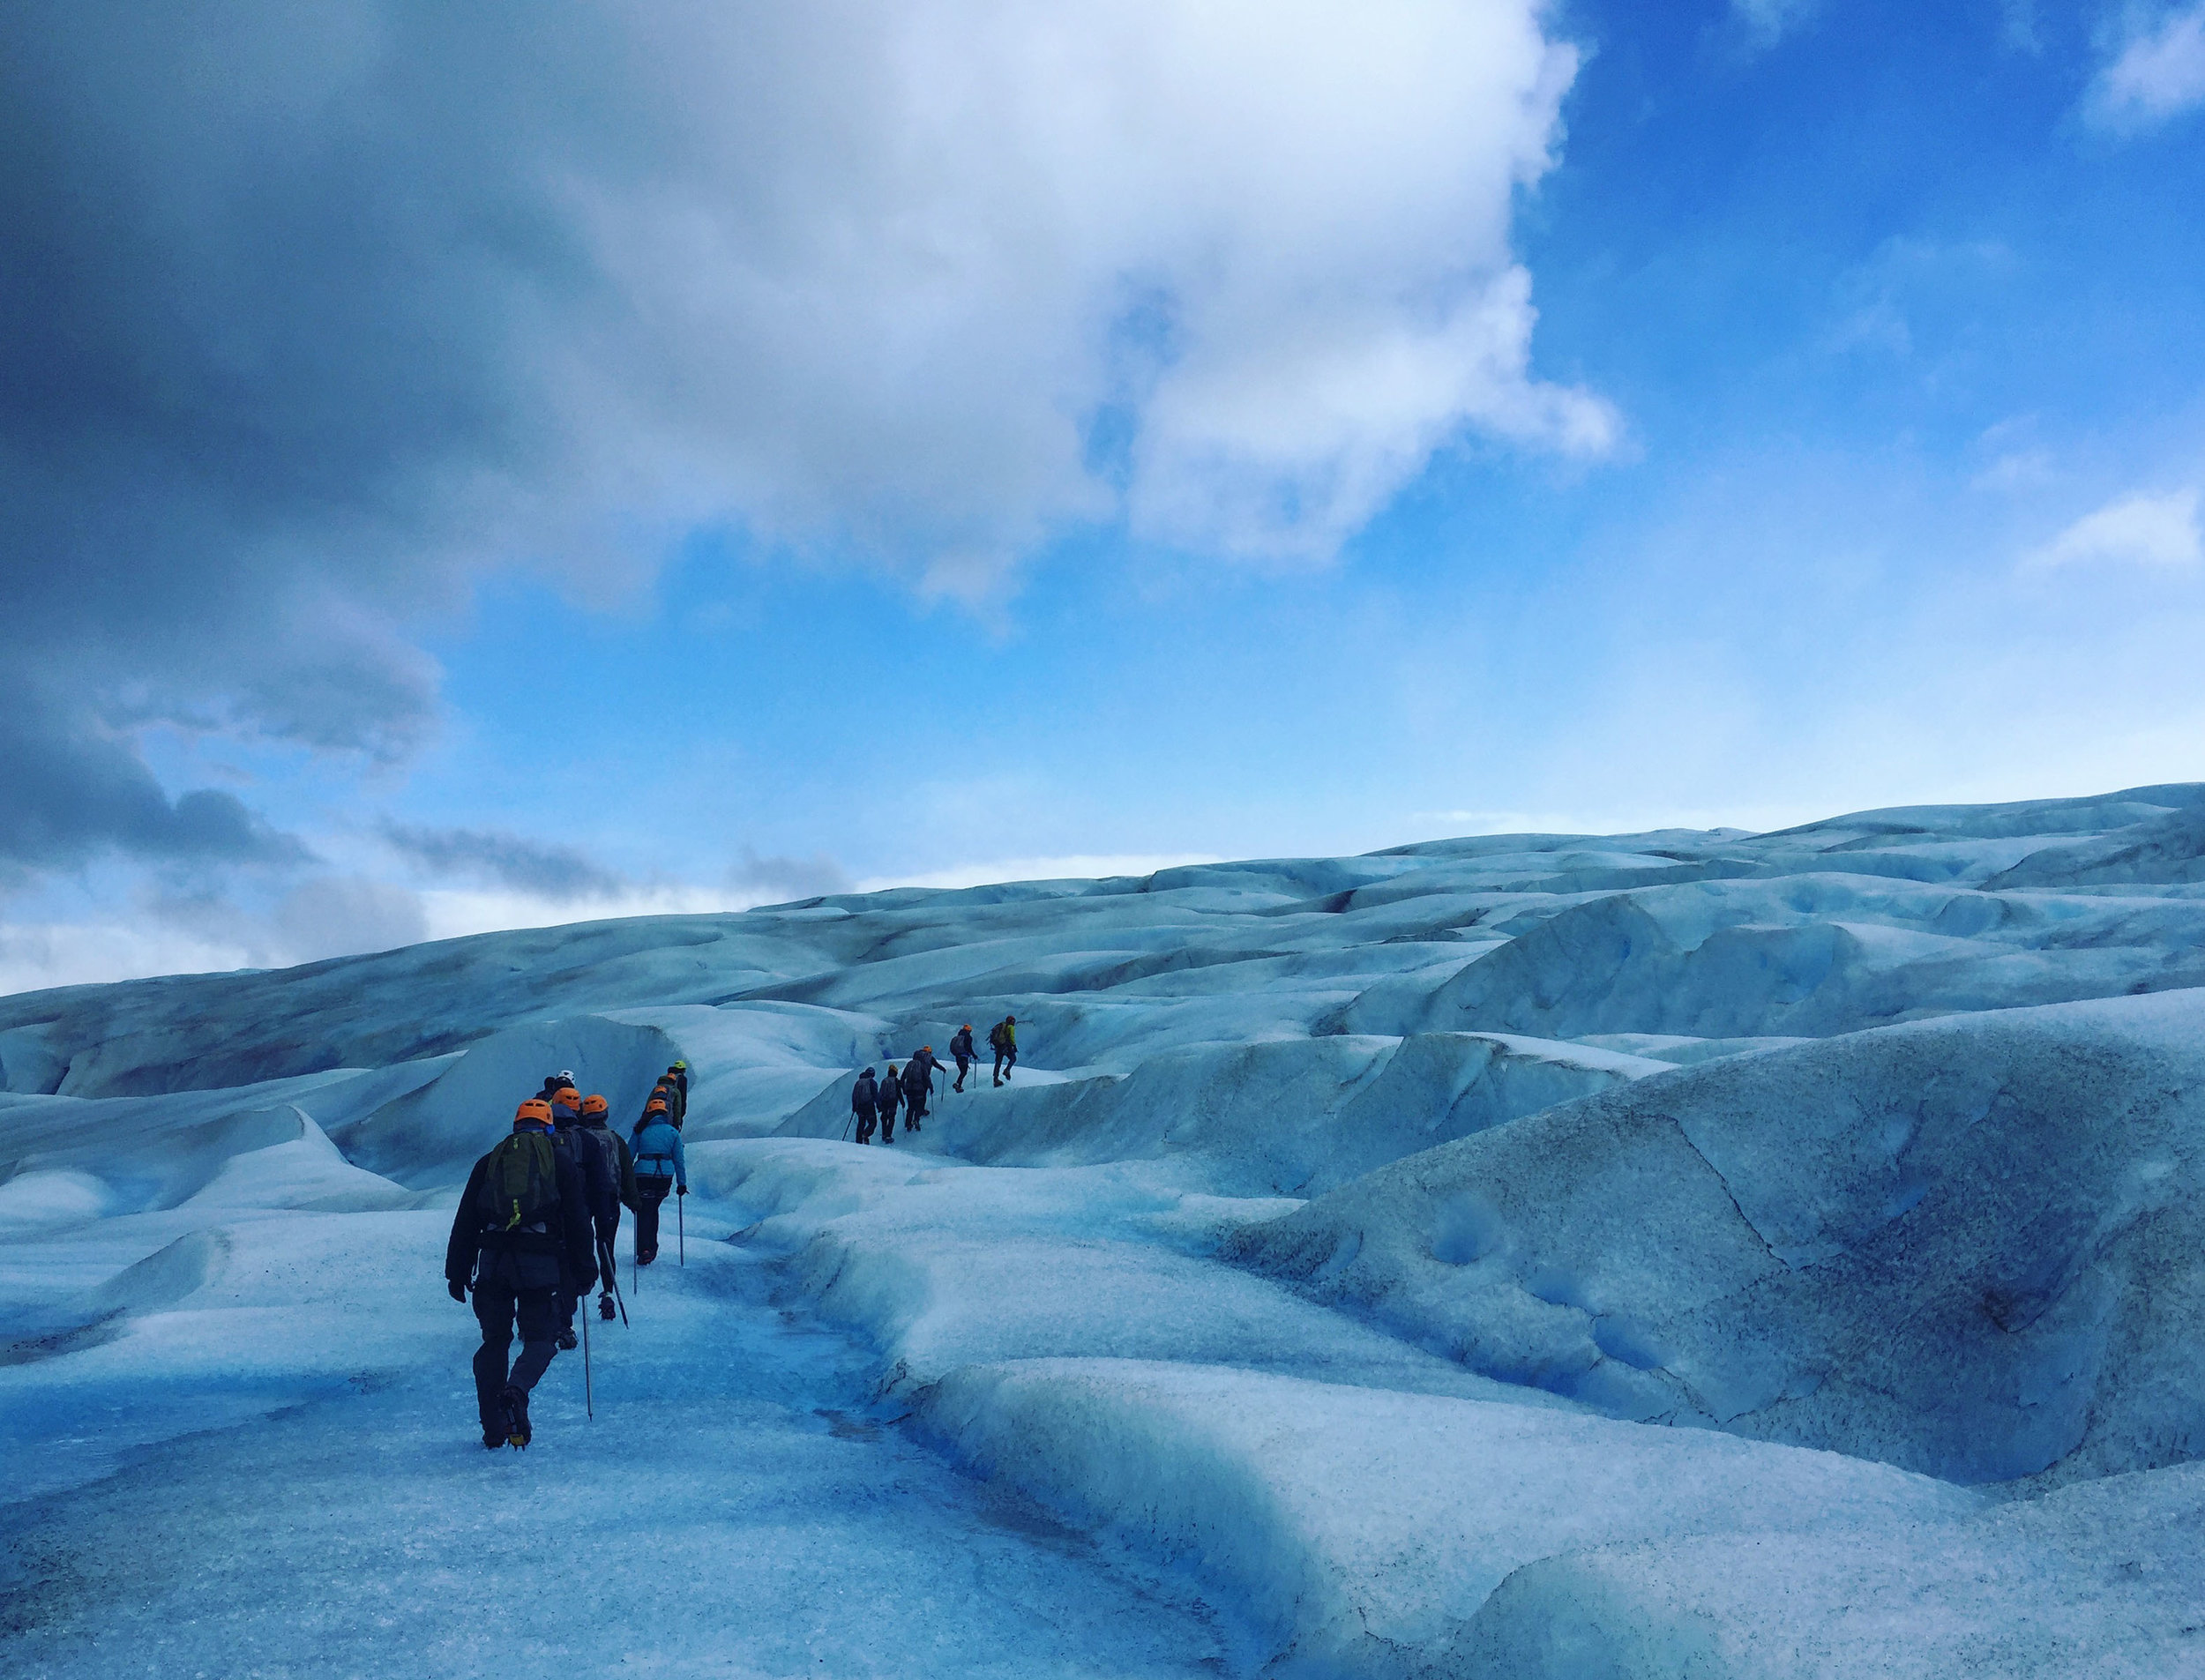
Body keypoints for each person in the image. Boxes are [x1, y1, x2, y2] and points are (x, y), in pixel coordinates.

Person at [445, 1097, 598, 1450]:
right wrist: (585, 1270)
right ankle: (517, 1391)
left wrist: (456, 1272)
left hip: (493, 1262)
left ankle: (493, 1430)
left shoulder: (490, 1161)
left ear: (516, 1125)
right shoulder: (558, 1162)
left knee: (494, 1342)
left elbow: (466, 1219)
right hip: (539, 1265)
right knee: (540, 1338)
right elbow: (577, 1220)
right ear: (547, 1126)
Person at [575, 1092, 635, 1321]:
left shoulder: (578, 1138)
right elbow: (627, 1172)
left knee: (580, 1243)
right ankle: (607, 1291)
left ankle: (579, 1285)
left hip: (581, 1198)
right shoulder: (616, 1139)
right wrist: (633, 1200)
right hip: (609, 1198)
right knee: (606, 1245)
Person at [631, 1096, 687, 1264]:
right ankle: (651, 1247)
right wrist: (682, 1183)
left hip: (643, 1175)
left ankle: (644, 1249)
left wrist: (623, 1179)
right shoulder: (672, 1132)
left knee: (644, 1211)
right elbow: (679, 1160)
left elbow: (629, 1155)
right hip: (665, 1177)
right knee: (653, 1209)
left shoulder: (640, 1130)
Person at [902, 1047, 943, 1133]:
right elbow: (926, 1078)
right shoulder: (922, 1065)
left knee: (910, 1107)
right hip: (919, 1088)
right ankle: (916, 1119)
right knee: (918, 1104)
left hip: (909, 1088)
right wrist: (931, 1087)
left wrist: (904, 1089)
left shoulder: (909, 1064)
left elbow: (903, 1078)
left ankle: (908, 1124)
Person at [851, 1067, 879, 1144]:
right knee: (873, 1123)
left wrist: (854, 1107)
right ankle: (865, 1134)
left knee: (861, 1123)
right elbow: (875, 1095)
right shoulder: (872, 1082)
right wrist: (879, 1105)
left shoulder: (858, 1083)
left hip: (860, 1107)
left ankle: (858, 1141)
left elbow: (854, 1095)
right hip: (869, 1106)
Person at [878, 1063, 902, 1144]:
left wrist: (879, 1103)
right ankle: (888, 1135)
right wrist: (902, 1102)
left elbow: (880, 1092)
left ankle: (884, 1134)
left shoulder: (884, 1080)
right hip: (893, 1102)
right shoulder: (896, 1081)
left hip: (884, 1102)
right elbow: (899, 1093)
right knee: (891, 1118)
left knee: (884, 1118)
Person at [990, 1015, 1018, 1086]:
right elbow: (1011, 1037)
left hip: (999, 1047)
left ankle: (995, 1079)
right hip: (1006, 1046)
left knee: (998, 1062)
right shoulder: (1010, 1027)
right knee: (1013, 1059)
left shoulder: (1002, 1026)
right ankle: (1007, 1070)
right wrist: (1014, 1045)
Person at [949, 1024, 976, 1093]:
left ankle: (959, 1087)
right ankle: (958, 1084)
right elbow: (969, 1047)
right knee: (964, 1072)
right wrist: (974, 1055)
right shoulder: (968, 1037)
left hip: (957, 1056)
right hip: (964, 1056)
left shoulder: (958, 1037)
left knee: (962, 1071)